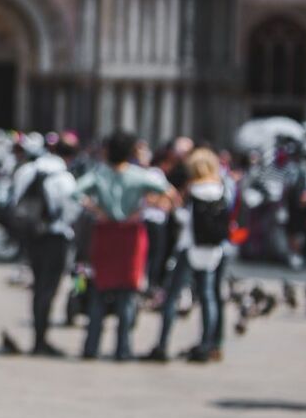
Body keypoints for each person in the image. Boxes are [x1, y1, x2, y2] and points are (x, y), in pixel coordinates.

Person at [75, 131, 175, 361]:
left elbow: (74, 192)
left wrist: (97, 210)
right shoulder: (140, 175)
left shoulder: (99, 174)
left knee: (99, 291)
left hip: (105, 233)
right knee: (128, 294)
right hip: (131, 235)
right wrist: (142, 210)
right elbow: (170, 193)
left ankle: (91, 346)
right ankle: (123, 348)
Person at [145, 148, 230, 363]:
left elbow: (185, 219)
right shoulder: (222, 189)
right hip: (212, 250)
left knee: (172, 296)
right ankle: (206, 345)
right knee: (208, 296)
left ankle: (162, 344)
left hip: (188, 248)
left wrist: (175, 206)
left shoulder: (194, 191)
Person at [9, 136, 78, 356]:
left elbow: (15, 201)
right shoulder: (64, 178)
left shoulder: (26, 170)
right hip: (55, 236)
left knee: (38, 286)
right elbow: (71, 211)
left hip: (31, 235)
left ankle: (39, 336)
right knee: (48, 288)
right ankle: (41, 340)